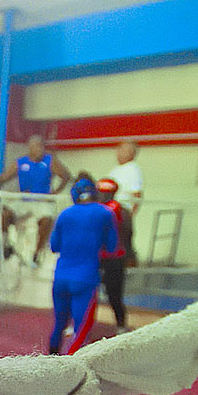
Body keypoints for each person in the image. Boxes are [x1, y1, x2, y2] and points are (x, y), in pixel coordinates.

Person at [48, 176, 117, 355]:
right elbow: (112, 247)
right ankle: (73, 370)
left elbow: (54, 246)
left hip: (61, 276)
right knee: (81, 329)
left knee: (59, 325)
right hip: (85, 278)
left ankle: (50, 362)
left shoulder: (65, 214)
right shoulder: (104, 213)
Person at [0, 134, 71, 264]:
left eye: (41, 146)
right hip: (23, 200)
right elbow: (4, 178)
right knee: (5, 214)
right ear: (30, 148)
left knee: (47, 220)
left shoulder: (50, 161)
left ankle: (37, 252)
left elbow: (66, 175)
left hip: (41, 201)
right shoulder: (21, 162)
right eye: (37, 146)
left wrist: (55, 192)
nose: (40, 149)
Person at [96, 177, 134, 333]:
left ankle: (121, 324)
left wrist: (130, 255)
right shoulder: (93, 210)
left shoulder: (122, 211)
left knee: (115, 293)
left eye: (107, 193)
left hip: (114, 258)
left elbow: (129, 233)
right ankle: (79, 323)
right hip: (96, 257)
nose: (104, 196)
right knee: (86, 293)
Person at [107, 140, 143, 218]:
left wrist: (129, 217)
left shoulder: (133, 170)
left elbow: (137, 195)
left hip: (121, 212)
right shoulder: (116, 169)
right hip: (110, 210)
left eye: (122, 150)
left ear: (131, 153)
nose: (118, 152)